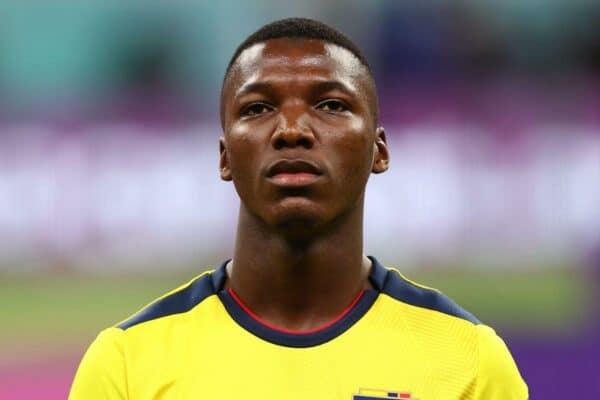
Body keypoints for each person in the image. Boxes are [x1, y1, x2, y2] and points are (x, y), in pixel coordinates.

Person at [69, 17, 528, 399]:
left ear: (378, 150)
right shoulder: (127, 365)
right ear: (225, 156)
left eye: (330, 104)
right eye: (257, 109)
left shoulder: (469, 363)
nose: (291, 129)